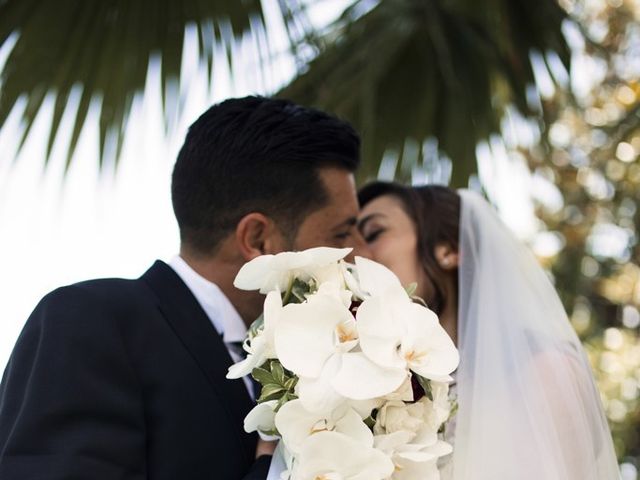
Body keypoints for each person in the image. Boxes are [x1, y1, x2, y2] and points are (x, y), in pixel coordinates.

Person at [0, 96, 370, 480]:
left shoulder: (308, 364)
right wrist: (270, 469)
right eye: (342, 234)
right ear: (259, 239)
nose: (360, 251)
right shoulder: (91, 322)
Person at [357, 182, 620, 480]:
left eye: (374, 233)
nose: (358, 254)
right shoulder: (379, 396)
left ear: (449, 250)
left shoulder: (545, 370)